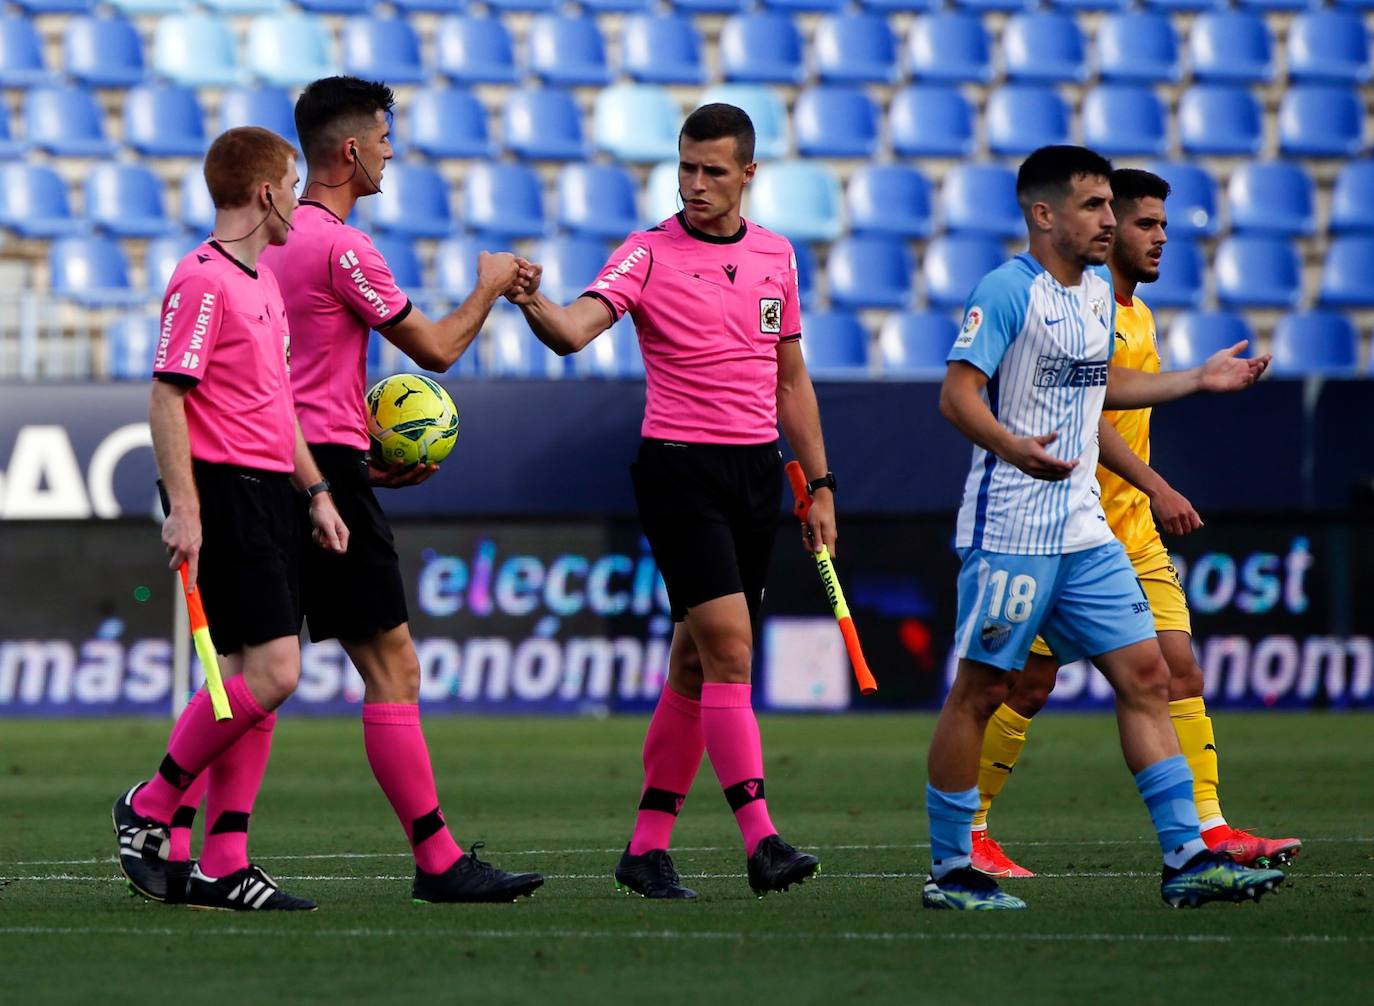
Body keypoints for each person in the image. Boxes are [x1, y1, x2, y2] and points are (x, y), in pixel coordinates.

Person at [924, 145, 1285, 911]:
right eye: (1094, 207)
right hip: (1014, 530)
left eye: (1109, 207)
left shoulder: (1095, 297)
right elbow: (958, 396)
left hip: (1085, 531)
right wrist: (1010, 444)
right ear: (1043, 214)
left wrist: (1195, 379)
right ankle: (952, 868)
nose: (1109, 220)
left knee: (1149, 675)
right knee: (983, 693)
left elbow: (1103, 383)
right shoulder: (1006, 290)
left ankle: (1187, 856)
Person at [505, 104, 830, 899]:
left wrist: (819, 484)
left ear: (748, 175)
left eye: (712, 170)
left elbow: (790, 379)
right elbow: (576, 330)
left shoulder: (776, 257)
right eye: (685, 167)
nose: (694, 184)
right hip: (680, 470)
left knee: (693, 663)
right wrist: (530, 302)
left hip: (756, 473)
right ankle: (763, 841)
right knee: (730, 650)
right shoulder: (648, 252)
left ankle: (646, 849)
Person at [255, 75, 542, 903]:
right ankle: (439, 861)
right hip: (324, 476)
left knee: (259, 669)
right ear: (349, 149)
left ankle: (184, 828)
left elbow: (294, 370)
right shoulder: (342, 247)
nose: (391, 148)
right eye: (383, 135)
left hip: (282, 463)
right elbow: (439, 351)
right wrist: (488, 283)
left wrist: (361, 461)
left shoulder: (270, 241)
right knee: (391, 667)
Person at [113, 126, 349, 911]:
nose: (298, 198)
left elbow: (278, 408)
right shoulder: (202, 279)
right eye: (291, 181)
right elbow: (167, 394)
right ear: (267, 192)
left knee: (253, 680)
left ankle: (221, 860)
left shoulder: (263, 283)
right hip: (224, 493)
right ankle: (150, 804)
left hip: (272, 493)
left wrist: (315, 493)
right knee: (274, 673)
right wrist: (185, 506)